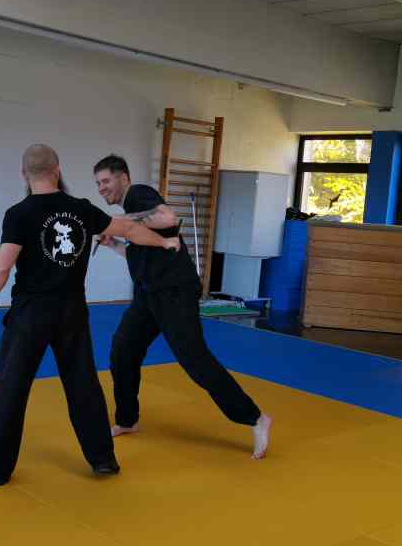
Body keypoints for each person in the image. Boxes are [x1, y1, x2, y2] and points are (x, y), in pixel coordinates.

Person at [0, 145, 179, 486]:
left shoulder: (19, 213)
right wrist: (164, 243)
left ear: (24, 174)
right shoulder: (81, 208)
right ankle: (103, 459)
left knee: (10, 388)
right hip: (72, 311)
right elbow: (128, 229)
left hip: (31, 314)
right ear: (58, 171)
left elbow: (3, 266)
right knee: (83, 385)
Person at [93, 154, 272, 459]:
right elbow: (144, 253)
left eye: (106, 181)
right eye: (98, 183)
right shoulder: (131, 210)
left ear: (123, 177)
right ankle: (127, 419)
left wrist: (119, 224)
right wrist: (116, 244)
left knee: (195, 360)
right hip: (149, 296)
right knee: (123, 350)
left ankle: (255, 418)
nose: (101, 188)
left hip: (174, 293)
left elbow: (168, 218)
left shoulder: (138, 194)